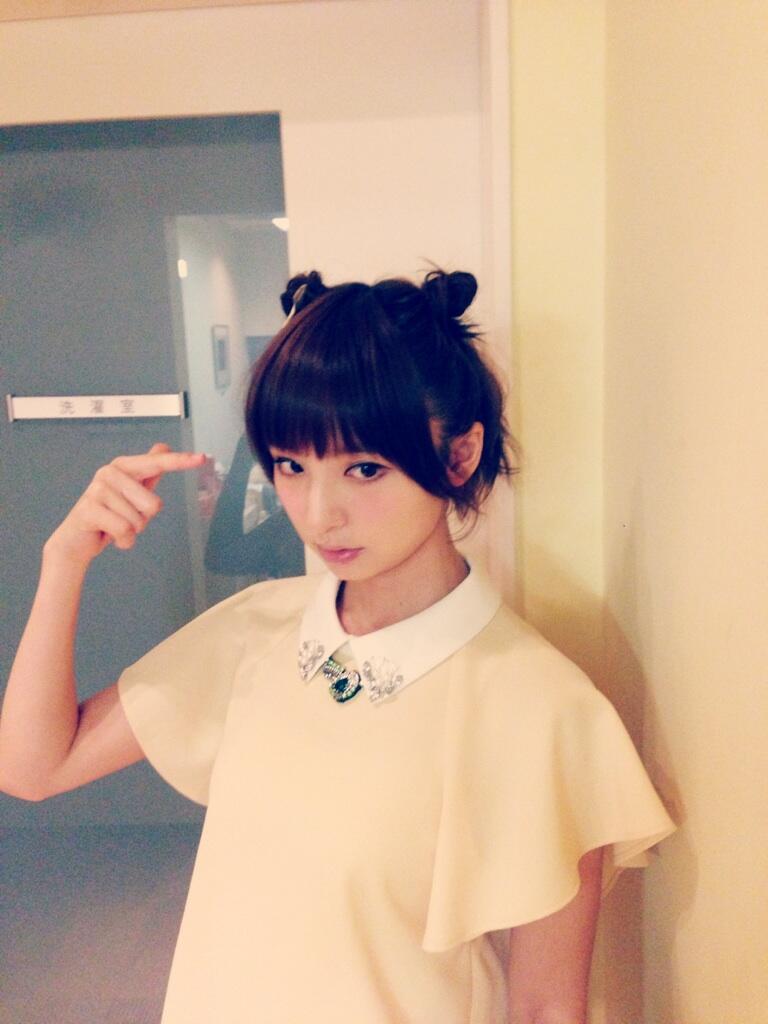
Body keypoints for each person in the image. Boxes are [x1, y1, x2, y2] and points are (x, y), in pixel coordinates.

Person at [0, 269, 675, 1024]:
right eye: (292, 466)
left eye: (364, 469)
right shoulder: (254, 629)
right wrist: (63, 561)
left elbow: (546, 1006)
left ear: (459, 457)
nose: (320, 515)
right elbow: (32, 768)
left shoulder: (541, 706)